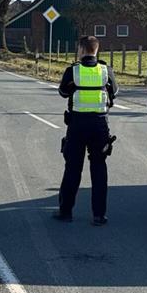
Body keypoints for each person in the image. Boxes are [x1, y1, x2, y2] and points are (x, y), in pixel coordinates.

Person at [54, 35, 119, 226]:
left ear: (81, 50)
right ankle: (99, 215)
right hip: (99, 125)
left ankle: (66, 211)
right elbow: (114, 92)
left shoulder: (73, 71)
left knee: (73, 168)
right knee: (99, 168)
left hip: (77, 125)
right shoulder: (106, 70)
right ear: (96, 50)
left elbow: (63, 92)